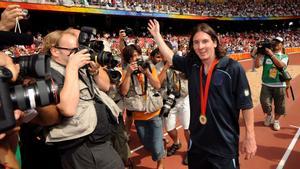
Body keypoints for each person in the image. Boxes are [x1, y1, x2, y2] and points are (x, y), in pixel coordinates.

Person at [148, 19, 257, 169]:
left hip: (224, 146)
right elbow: (171, 57)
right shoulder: (193, 65)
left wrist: (250, 136)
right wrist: (157, 36)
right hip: (197, 145)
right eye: (196, 42)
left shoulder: (232, 68)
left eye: (205, 41)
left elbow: (246, 104)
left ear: (215, 42)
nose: (200, 46)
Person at [39, 30, 124, 169]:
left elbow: (106, 86)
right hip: (82, 146)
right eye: (74, 50)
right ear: (55, 51)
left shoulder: (77, 66)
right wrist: (72, 67)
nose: (79, 54)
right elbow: (67, 109)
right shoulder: (49, 73)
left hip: (99, 140)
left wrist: (95, 71)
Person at [120, 44, 165, 169]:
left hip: (154, 112)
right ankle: (160, 149)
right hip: (139, 116)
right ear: (128, 59)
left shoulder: (149, 66)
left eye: (137, 55)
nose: (136, 58)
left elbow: (157, 86)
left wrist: (147, 73)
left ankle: (160, 163)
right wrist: (128, 74)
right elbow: (123, 92)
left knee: (156, 145)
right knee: (146, 144)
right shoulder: (125, 70)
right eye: (132, 56)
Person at [150, 45, 190, 165]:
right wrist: (166, 67)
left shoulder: (181, 61)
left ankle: (190, 150)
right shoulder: (157, 66)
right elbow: (157, 83)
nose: (163, 55)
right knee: (170, 128)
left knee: (187, 127)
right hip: (168, 101)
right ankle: (177, 142)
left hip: (183, 98)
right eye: (161, 53)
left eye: (165, 51)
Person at [255, 37, 288, 131]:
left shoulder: (285, 56)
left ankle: (276, 121)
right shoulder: (266, 55)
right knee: (264, 103)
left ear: (282, 44)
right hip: (266, 84)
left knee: (280, 106)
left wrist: (271, 54)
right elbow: (257, 65)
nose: (276, 43)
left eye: (278, 42)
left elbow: (281, 65)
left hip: (280, 85)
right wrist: (259, 53)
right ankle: (269, 115)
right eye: (275, 42)